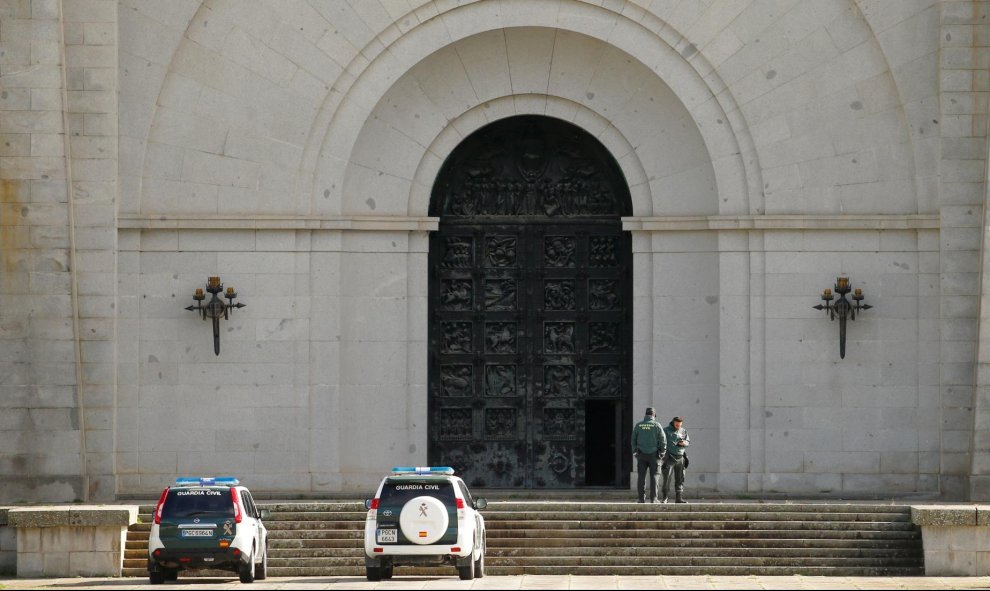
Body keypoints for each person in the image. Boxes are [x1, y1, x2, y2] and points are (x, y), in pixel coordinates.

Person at [630, 407, 666, 503]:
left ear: (645, 414)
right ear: (654, 415)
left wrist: (635, 451)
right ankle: (654, 499)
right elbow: (663, 440)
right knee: (654, 476)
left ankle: (641, 499)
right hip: (654, 455)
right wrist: (662, 452)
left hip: (641, 454)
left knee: (641, 476)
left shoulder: (639, 425)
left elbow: (633, 439)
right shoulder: (657, 425)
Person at [661, 416, 690, 503]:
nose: (678, 427)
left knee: (680, 478)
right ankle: (665, 498)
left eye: (680, 425)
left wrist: (684, 443)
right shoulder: (665, 430)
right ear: (673, 423)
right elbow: (660, 442)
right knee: (667, 478)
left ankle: (679, 498)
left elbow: (688, 441)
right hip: (669, 457)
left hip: (680, 457)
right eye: (677, 425)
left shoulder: (683, 430)